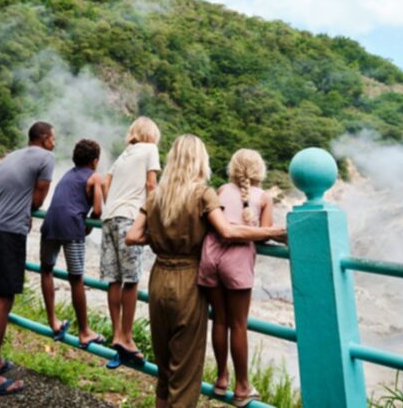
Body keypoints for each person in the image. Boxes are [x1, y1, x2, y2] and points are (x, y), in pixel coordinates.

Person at [125, 135, 286, 408]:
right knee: (184, 374)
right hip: (188, 279)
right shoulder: (202, 193)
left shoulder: (156, 195)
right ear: (201, 160)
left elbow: (132, 235)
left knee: (164, 372)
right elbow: (227, 231)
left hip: (158, 276)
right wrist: (276, 232)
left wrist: (159, 240)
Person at [0, 121, 56, 398]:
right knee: (3, 298)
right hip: (7, 231)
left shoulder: (11, 155)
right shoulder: (46, 158)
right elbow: (37, 201)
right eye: (53, 138)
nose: (54, 143)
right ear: (44, 139)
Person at [198, 149, 273, 405]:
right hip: (237, 260)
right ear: (258, 170)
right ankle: (242, 386)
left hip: (210, 256)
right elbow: (264, 233)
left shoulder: (220, 191)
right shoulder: (263, 197)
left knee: (219, 320)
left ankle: (221, 379)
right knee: (238, 324)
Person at [100, 117, 161, 367]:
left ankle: (116, 333)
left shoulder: (125, 154)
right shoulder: (150, 149)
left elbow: (106, 183)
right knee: (132, 279)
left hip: (109, 218)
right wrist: (152, 217)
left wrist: (112, 203)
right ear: (152, 134)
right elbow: (151, 184)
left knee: (114, 278)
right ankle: (127, 337)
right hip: (128, 218)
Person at [40, 139, 106, 348]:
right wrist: (87, 228)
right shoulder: (95, 176)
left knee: (46, 271)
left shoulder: (67, 174)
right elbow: (98, 210)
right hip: (71, 227)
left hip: (50, 224)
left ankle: (53, 321)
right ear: (95, 161)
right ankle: (84, 331)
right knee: (76, 279)